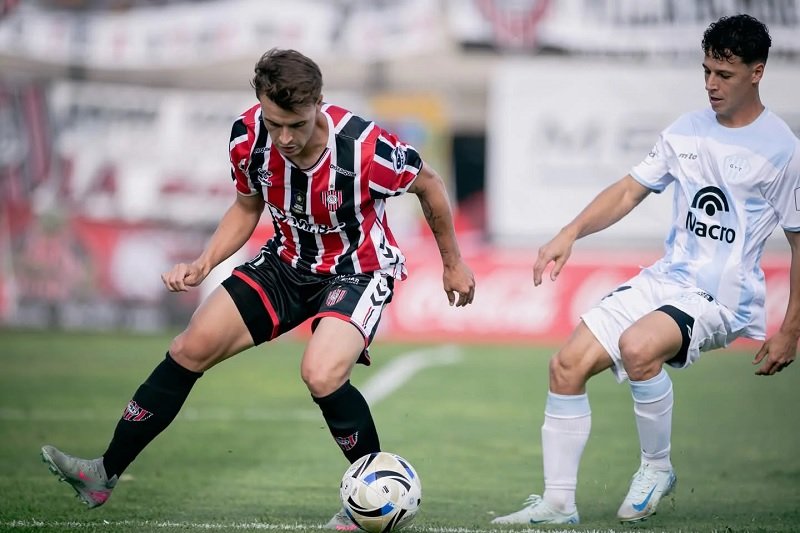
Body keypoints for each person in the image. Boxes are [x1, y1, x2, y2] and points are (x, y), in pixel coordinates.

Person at [41, 48, 476, 530]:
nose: (285, 138)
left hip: (358, 270)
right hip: (286, 264)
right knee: (190, 347)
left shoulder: (366, 148)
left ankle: (372, 503)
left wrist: (452, 264)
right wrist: (204, 263)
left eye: (297, 124)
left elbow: (430, 185)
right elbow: (247, 207)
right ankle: (103, 473)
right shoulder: (248, 137)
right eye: (275, 124)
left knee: (321, 373)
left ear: (319, 104)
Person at [492, 13, 798, 526]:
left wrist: (792, 329)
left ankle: (657, 467)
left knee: (638, 346)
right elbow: (630, 190)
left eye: (724, 75)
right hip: (666, 280)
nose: (711, 85)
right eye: (706, 72)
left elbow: (798, 241)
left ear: (757, 72)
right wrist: (569, 233)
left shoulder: (783, 150)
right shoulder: (686, 130)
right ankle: (558, 504)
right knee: (565, 366)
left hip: (721, 297)